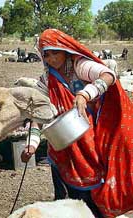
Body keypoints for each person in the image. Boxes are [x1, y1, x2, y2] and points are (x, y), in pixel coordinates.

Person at [21, 28, 133, 218]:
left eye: (54, 52)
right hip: (63, 147)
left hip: (92, 141)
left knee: (93, 199)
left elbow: (108, 75)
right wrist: (31, 145)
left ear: (64, 49)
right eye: (45, 55)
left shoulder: (79, 66)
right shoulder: (47, 80)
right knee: (65, 201)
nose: (50, 59)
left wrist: (85, 93)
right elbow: (38, 115)